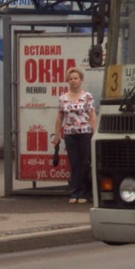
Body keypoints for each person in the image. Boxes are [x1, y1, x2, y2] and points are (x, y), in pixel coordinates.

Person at [55, 66, 97, 204]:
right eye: (71, 79)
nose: (73, 81)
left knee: (85, 163)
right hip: (70, 134)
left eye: (76, 78)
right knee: (74, 163)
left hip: (85, 133)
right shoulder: (63, 98)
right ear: (68, 80)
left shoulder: (87, 96)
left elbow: (92, 114)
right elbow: (59, 117)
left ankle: (85, 193)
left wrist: (94, 132)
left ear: (81, 80)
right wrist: (56, 136)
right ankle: (74, 192)